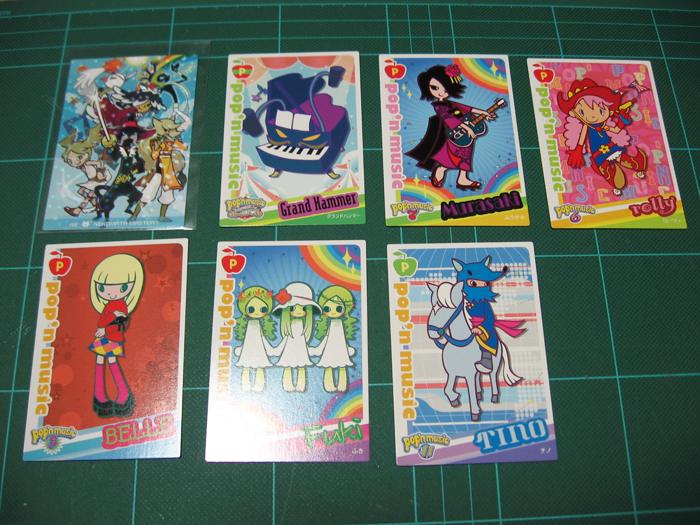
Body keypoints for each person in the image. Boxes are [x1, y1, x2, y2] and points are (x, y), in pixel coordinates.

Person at [407, 64, 495, 190]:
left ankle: (463, 179)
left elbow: (468, 109)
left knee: (466, 156)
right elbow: (449, 119)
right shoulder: (439, 106)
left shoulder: (451, 103)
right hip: (451, 135)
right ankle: (440, 170)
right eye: (435, 88)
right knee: (450, 157)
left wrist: (484, 113)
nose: (441, 92)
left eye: (445, 89)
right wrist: (467, 128)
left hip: (465, 136)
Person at [558, 78, 647, 196]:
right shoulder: (587, 126)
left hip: (611, 146)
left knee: (622, 158)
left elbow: (615, 130)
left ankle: (638, 165)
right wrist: (578, 150)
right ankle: (615, 179)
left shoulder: (604, 124)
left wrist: (622, 122)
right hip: (598, 151)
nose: (593, 116)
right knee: (604, 164)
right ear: (574, 113)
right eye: (583, 112)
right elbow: (582, 137)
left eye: (601, 111)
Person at [88, 253, 144, 417]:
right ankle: (100, 396)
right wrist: (109, 320)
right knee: (100, 361)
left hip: (112, 338)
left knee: (112, 361)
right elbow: (102, 321)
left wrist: (107, 327)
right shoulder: (109, 306)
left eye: (122, 288)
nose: (111, 293)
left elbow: (119, 326)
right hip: (103, 337)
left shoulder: (122, 306)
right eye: (103, 288)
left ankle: (123, 394)